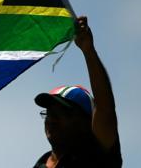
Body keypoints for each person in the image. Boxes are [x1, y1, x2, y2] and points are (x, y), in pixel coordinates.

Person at [33, 16, 122, 168]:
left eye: (62, 114)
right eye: (49, 113)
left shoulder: (96, 155)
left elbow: (105, 109)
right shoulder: (40, 164)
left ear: (86, 123)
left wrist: (88, 51)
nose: (52, 120)